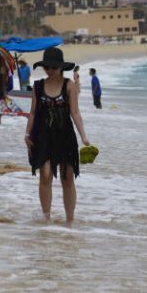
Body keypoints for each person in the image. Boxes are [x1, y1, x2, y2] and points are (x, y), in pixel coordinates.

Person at [24, 48, 90, 225]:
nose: (49, 70)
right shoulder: (38, 86)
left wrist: (84, 136)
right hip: (43, 135)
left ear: (61, 68)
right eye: (46, 67)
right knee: (45, 174)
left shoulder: (69, 85)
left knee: (67, 177)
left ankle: (70, 219)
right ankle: (46, 217)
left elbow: (75, 112)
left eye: (53, 67)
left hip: (65, 135)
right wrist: (27, 134)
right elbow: (32, 113)